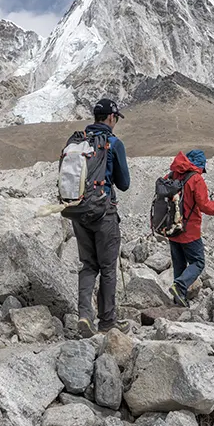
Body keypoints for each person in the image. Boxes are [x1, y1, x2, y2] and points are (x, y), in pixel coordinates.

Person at [75, 98, 131, 337]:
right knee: (108, 267)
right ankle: (107, 321)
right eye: (116, 118)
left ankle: (84, 315)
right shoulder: (113, 143)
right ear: (111, 117)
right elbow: (125, 183)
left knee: (88, 265)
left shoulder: (79, 141)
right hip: (103, 212)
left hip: (78, 210)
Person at [165, 149, 214, 307]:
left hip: (172, 228)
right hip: (189, 230)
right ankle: (180, 286)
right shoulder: (196, 179)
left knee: (179, 264)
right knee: (198, 262)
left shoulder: (171, 175)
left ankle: (179, 298)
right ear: (199, 165)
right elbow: (206, 206)